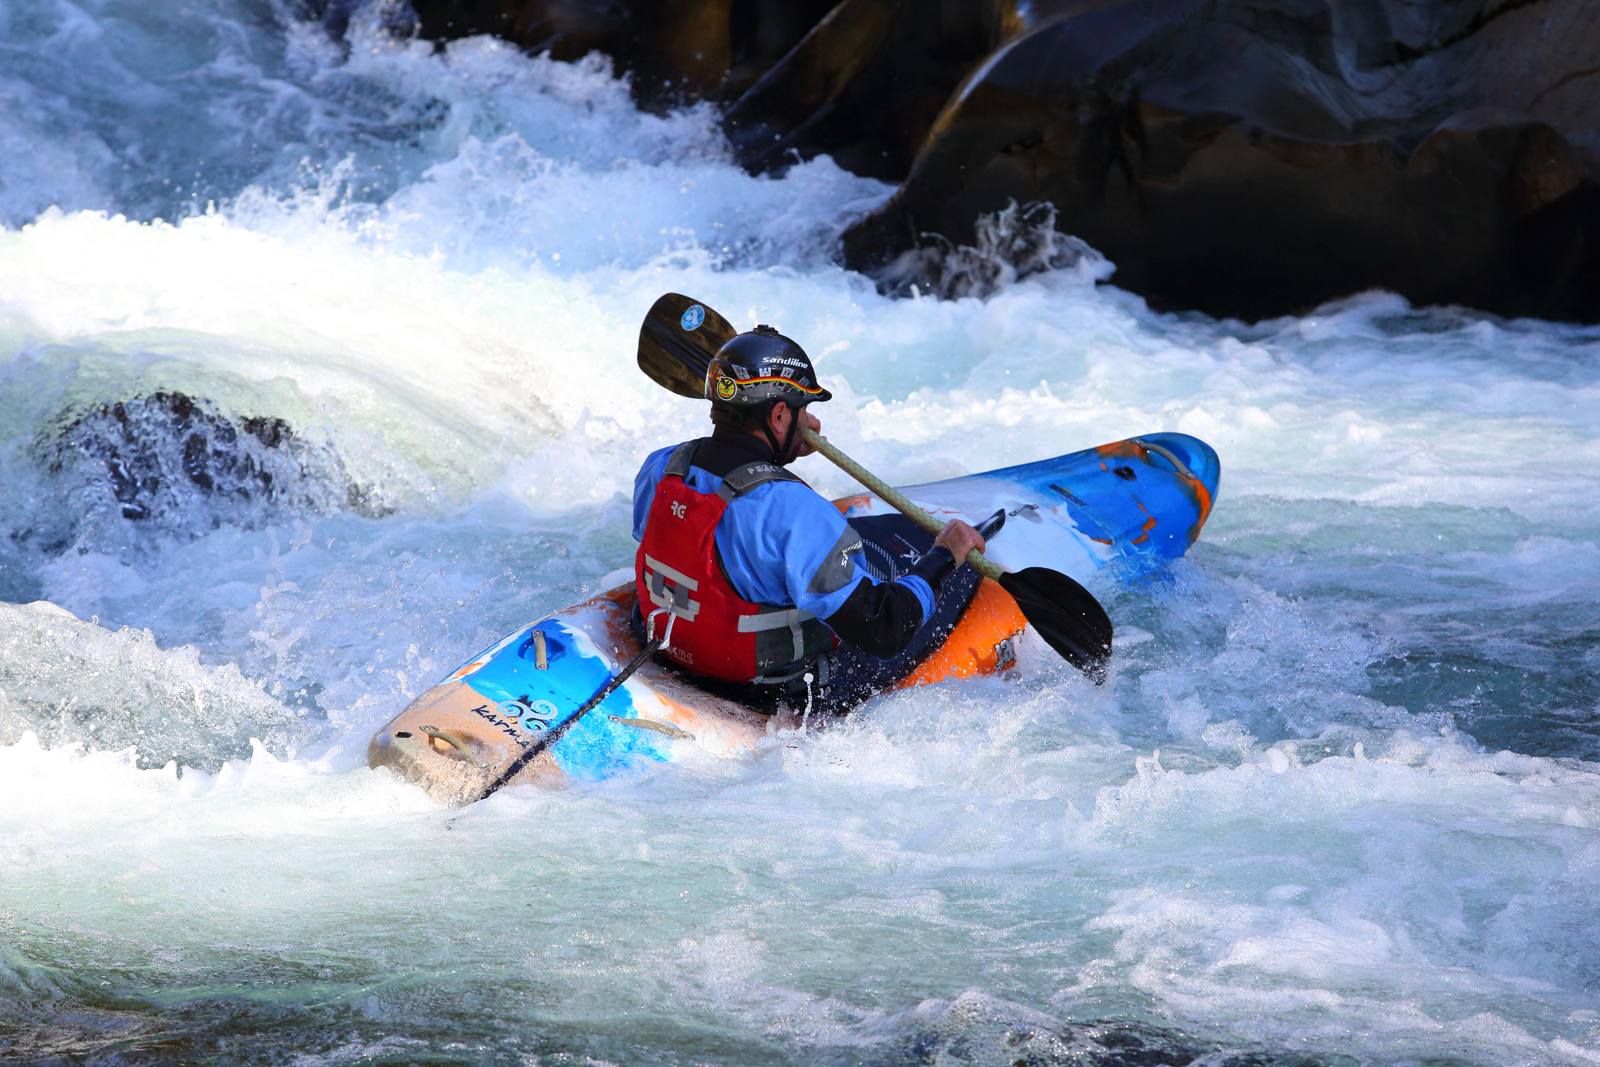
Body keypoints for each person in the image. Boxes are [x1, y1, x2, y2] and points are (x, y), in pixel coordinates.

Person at [632, 323, 985, 701]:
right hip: (764, 691)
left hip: (670, 651)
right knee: (943, 592)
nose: (809, 420)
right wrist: (945, 555)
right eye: (804, 410)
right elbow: (884, 630)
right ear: (780, 414)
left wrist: (781, 448)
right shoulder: (797, 513)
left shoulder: (663, 467)